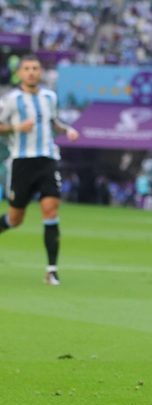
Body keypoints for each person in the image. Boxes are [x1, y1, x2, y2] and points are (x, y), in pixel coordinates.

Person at [0, 55, 79, 285]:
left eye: (35, 68)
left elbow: (53, 122)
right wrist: (17, 127)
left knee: (51, 209)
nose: (32, 72)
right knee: (15, 218)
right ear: (20, 73)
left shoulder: (49, 97)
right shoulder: (11, 100)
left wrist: (67, 130)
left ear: (41, 72)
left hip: (47, 160)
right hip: (22, 162)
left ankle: (51, 270)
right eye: (27, 69)